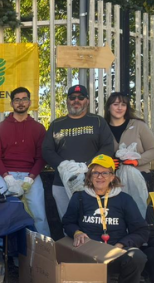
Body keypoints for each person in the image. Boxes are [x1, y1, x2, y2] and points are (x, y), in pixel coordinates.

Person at [62, 154, 149, 283]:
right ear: (89, 176)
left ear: (112, 177)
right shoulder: (79, 198)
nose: (100, 176)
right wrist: (77, 233)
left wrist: (122, 245)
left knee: (137, 256)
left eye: (105, 173)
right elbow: (68, 222)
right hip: (90, 254)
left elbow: (141, 230)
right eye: (95, 172)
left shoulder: (125, 200)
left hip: (116, 251)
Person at [42, 84, 115, 218]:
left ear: (87, 101)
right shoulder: (56, 124)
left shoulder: (98, 121)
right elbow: (47, 150)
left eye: (81, 97)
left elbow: (108, 146)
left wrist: (87, 165)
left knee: (92, 219)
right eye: (72, 97)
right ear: (67, 101)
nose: (76, 100)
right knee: (67, 220)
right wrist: (64, 166)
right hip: (62, 182)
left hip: (92, 180)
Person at [0, 87, 50, 236]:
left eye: (24, 99)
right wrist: (7, 177)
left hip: (31, 175)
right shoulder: (0, 127)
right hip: (5, 175)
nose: (21, 103)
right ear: (12, 103)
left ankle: (45, 250)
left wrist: (30, 178)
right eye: (17, 99)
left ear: (29, 102)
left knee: (39, 214)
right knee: (0, 213)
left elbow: (41, 157)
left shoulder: (38, 128)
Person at [105, 92, 154, 182]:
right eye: (115, 104)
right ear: (108, 108)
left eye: (123, 105)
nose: (119, 108)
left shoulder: (139, 125)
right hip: (112, 178)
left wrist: (137, 161)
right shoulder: (103, 128)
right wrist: (107, 162)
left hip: (140, 175)